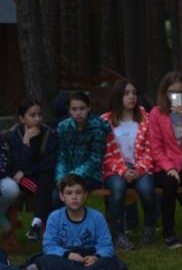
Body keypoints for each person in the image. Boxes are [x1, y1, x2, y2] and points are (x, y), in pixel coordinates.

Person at [27, 174, 127, 270]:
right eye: (69, 193)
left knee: (113, 262)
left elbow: (106, 245)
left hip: (90, 255)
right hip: (65, 257)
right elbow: (49, 245)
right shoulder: (55, 217)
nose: (74, 197)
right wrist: (68, 255)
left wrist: (96, 257)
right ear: (61, 196)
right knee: (45, 261)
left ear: (85, 195)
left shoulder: (97, 217)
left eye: (78, 193)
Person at [100, 79, 157, 251]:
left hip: (141, 168)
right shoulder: (105, 121)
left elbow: (150, 149)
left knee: (147, 190)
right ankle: (119, 234)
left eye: (134, 93)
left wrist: (139, 169)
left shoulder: (146, 119)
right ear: (118, 96)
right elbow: (105, 153)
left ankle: (149, 227)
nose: (131, 97)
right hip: (115, 169)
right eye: (126, 93)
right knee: (117, 191)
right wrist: (123, 170)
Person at [149, 71, 182, 248]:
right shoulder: (156, 113)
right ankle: (169, 232)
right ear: (165, 92)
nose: (176, 96)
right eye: (172, 91)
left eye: (180, 92)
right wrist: (168, 167)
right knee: (170, 184)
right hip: (164, 165)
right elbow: (155, 147)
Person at [6, 98, 58, 241]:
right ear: (22, 118)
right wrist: (26, 141)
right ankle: (43, 230)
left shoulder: (49, 134)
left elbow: (49, 163)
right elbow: (17, 164)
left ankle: (37, 225)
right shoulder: (13, 135)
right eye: (32, 115)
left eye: (39, 115)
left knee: (46, 176)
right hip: (24, 181)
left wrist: (26, 171)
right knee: (45, 190)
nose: (38, 119)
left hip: (42, 177)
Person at [55, 91, 108, 191]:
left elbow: (95, 159)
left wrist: (73, 176)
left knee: (73, 190)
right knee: (55, 195)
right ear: (69, 110)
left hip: (91, 175)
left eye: (82, 108)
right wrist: (61, 176)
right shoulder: (63, 127)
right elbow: (61, 155)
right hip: (67, 173)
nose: (78, 113)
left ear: (89, 108)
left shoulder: (97, 127)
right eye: (74, 109)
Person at [0, 133, 17, 234]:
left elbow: (11, 160)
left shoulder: (4, 142)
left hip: (3, 176)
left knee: (12, 188)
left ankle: (1, 212)